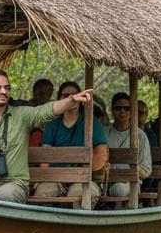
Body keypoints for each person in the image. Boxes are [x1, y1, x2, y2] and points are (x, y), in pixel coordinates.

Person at [0, 70, 93, 203]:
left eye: (7, 88)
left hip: (14, 184)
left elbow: (46, 111)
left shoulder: (22, 115)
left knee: (4, 196)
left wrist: (70, 100)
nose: (4, 91)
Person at [32, 80, 109, 209]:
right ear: (59, 99)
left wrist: (77, 174)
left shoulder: (93, 123)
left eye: (74, 94)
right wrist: (48, 177)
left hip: (85, 180)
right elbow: (45, 157)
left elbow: (101, 156)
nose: (71, 98)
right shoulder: (52, 123)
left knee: (77, 195)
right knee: (42, 194)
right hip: (56, 179)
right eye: (65, 95)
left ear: (81, 99)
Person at [104, 91, 151, 199]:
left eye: (126, 108)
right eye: (118, 108)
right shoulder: (104, 133)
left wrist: (124, 174)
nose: (122, 112)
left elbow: (146, 170)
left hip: (131, 183)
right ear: (112, 110)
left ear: (131, 111)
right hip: (105, 182)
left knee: (119, 189)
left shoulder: (140, 136)